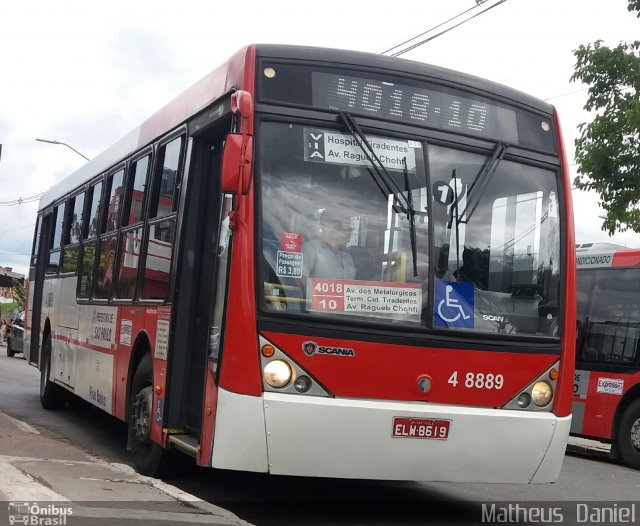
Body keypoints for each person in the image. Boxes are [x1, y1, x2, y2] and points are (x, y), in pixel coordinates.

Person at [302, 208, 356, 280]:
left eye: (347, 225)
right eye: (337, 224)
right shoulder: (311, 249)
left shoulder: (347, 257)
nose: (344, 228)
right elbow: (300, 279)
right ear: (323, 225)